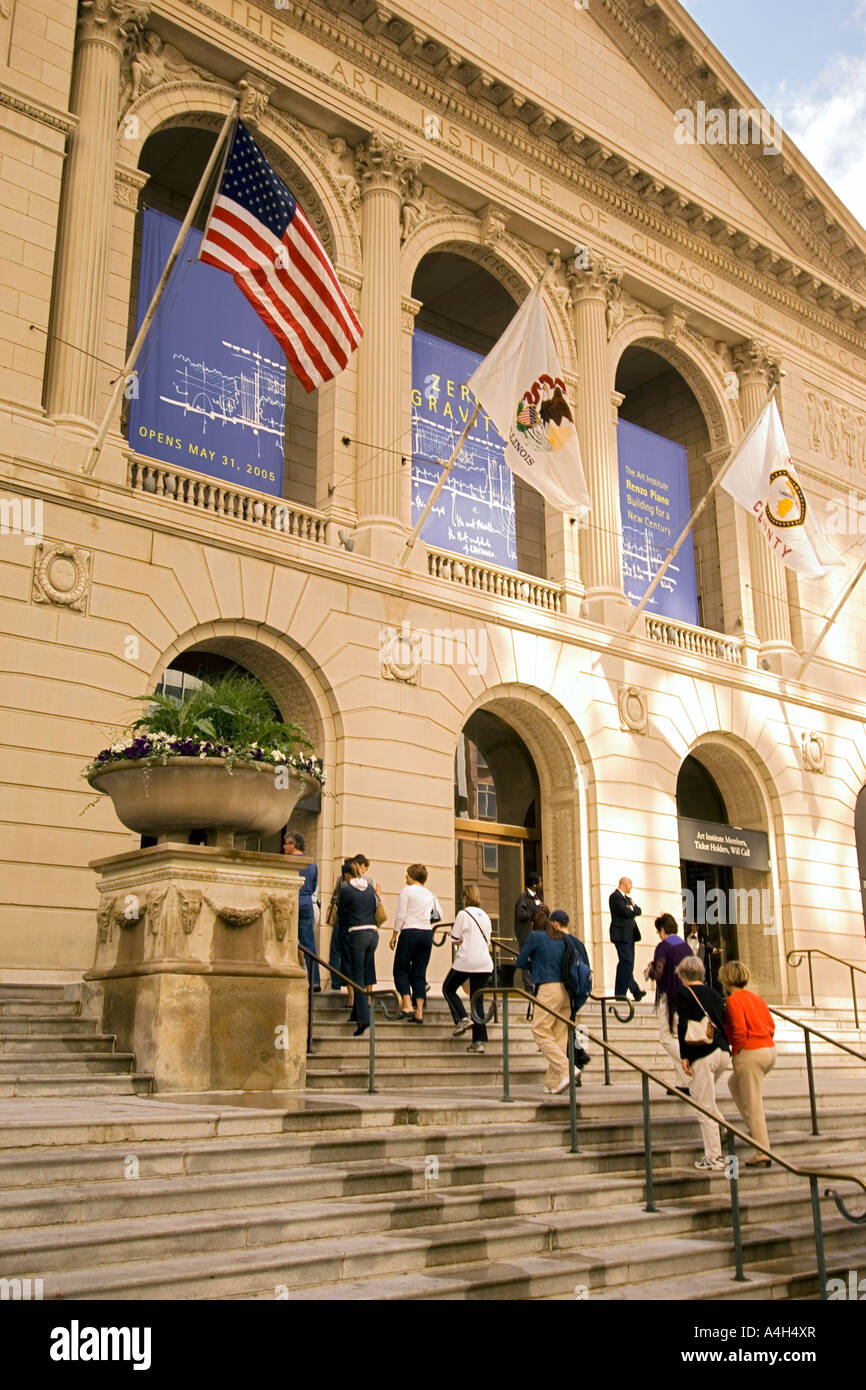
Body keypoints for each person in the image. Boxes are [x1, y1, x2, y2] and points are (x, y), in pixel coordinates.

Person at [675, 954, 731, 1171]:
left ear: (683, 975)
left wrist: (684, 1055)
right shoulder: (715, 993)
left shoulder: (684, 993)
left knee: (703, 1104)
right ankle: (722, 1129)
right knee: (701, 1095)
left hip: (703, 1052)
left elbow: (683, 1026)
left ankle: (715, 1156)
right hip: (722, 1051)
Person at [718, 960, 776, 1168]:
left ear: (726, 979)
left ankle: (763, 1151)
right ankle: (755, 1130)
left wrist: (736, 1053)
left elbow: (740, 1031)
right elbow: (771, 1025)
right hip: (768, 1049)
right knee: (734, 1084)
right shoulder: (756, 998)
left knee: (753, 1102)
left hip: (750, 1052)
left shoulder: (734, 1000)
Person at [514, 906, 574, 1094]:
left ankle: (566, 1069)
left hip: (548, 988)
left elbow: (521, 961)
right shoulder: (559, 938)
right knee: (559, 1034)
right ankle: (554, 1081)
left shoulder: (535, 937)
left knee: (539, 1030)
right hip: (566, 990)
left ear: (533, 924)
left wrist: (534, 965)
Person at [443, 883, 493, 1053]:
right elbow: (487, 942)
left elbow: (456, 938)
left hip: (467, 960)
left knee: (448, 988)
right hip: (484, 963)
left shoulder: (463, 914)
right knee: (476, 1000)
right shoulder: (485, 916)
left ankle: (462, 1018)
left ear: (465, 898)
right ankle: (478, 1042)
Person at [648, 913, 693, 1094]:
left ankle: (689, 1065)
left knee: (666, 1037)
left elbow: (658, 972)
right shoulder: (686, 947)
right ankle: (683, 1083)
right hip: (687, 995)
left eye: (659, 932)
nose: (659, 935)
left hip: (670, 997)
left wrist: (649, 971)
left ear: (663, 930)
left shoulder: (663, 946)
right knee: (677, 1035)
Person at [390, 864, 441, 1023]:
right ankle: (419, 1011)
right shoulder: (430, 894)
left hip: (410, 931)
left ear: (413, 875)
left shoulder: (407, 891)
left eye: (407, 874)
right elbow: (439, 914)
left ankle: (407, 1005)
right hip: (426, 933)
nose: (405, 877)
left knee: (400, 969)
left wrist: (394, 934)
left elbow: (401, 914)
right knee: (419, 972)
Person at [336, 859, 379, 1034]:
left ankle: (363, 1018)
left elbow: (341, 913)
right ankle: (356, 1014)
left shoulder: (346, 890)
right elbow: (375, 907)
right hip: (373, 934)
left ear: (346, 875)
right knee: (364, 971)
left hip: (357, 933)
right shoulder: (369, 889)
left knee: (357, 976)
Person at [327, 853, 379, 990]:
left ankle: (342, 989)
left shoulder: (344, 884)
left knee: (345, 959)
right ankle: (365, 1000)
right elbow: (375, 904)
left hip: (351, 928)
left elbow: (339, 906)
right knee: (366, 965)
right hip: (370, 930)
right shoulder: (369, 883)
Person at [549, 909, 591, 1075]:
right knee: (574, 1027)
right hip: (580, 992)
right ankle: (579, 1057)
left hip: (565, 991)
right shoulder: (578, 942)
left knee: (563, 1031)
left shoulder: (560, 941)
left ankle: (575, 1063)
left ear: (555, 924)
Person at [283, 832, 319, 991]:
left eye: (286, 844)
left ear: (292, 844)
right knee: (309, 943)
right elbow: (314, 885)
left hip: (292, 898)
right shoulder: (312, 864)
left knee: (284, 938)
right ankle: (315, 980)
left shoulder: (288, 862)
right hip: (307, 902)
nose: (284, 847)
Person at [609, 876, 646, 1001]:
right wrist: (631, 909)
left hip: (630, 935)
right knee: (626, 962)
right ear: (625, 884)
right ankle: (620, 993)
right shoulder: (615, 897)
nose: (631, 887)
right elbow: (625, 912)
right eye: (630, 885)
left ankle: (635, 991)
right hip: (620, 935)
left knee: (628, 964)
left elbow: (638, 910)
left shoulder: (628, 899)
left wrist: (632, 909)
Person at [514, 872, 543, 990]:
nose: (541, 884)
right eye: (540, 882)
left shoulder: (537, 897)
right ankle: (528, 987)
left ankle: (536, 984)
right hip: (526, 936)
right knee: (526, 959)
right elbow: (521, 914)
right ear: (534, 884)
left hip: (536, 935)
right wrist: (534, 914)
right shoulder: (524, 897)